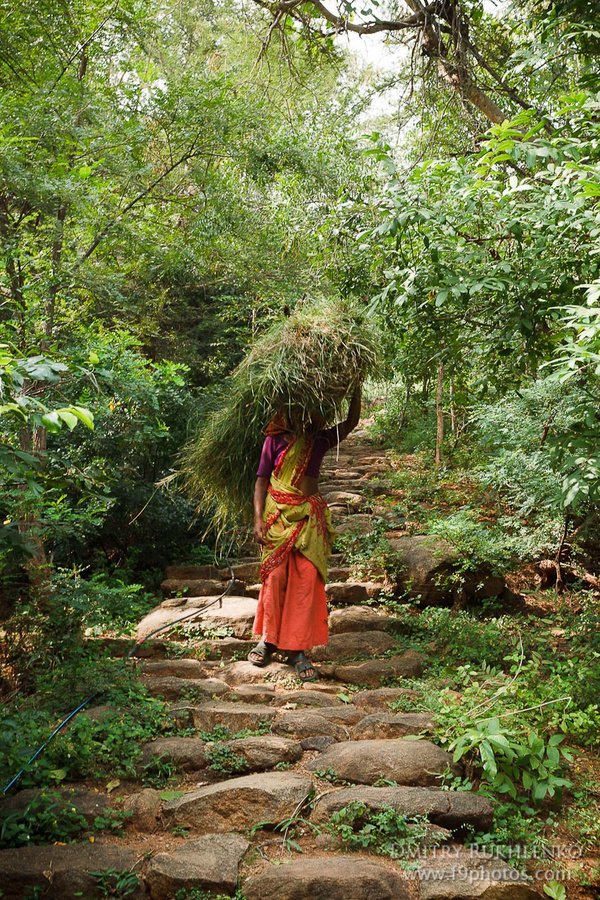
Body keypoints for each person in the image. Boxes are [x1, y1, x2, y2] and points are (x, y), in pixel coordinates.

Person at [248, 387, 362, 681]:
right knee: (274, 578)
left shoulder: (319, 440)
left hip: (309, 518)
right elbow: (261, 482)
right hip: (278, 517)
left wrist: (356, 391)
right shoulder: (273, 441)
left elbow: (350, 424)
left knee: (306, 581)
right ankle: (269, 640)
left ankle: (297, 650)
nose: (305, 416)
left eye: (310, 411)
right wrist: (258, 519)